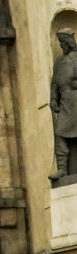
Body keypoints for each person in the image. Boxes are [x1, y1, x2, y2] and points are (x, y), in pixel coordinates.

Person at [52, 29, 77, 178]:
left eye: (63, 42)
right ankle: (62, 168)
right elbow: (54, 83)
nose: (61, 46)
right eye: (60, 43)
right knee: (59, 133)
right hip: (65, 104)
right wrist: (53, 99)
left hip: (76, 101)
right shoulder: (59, 62)